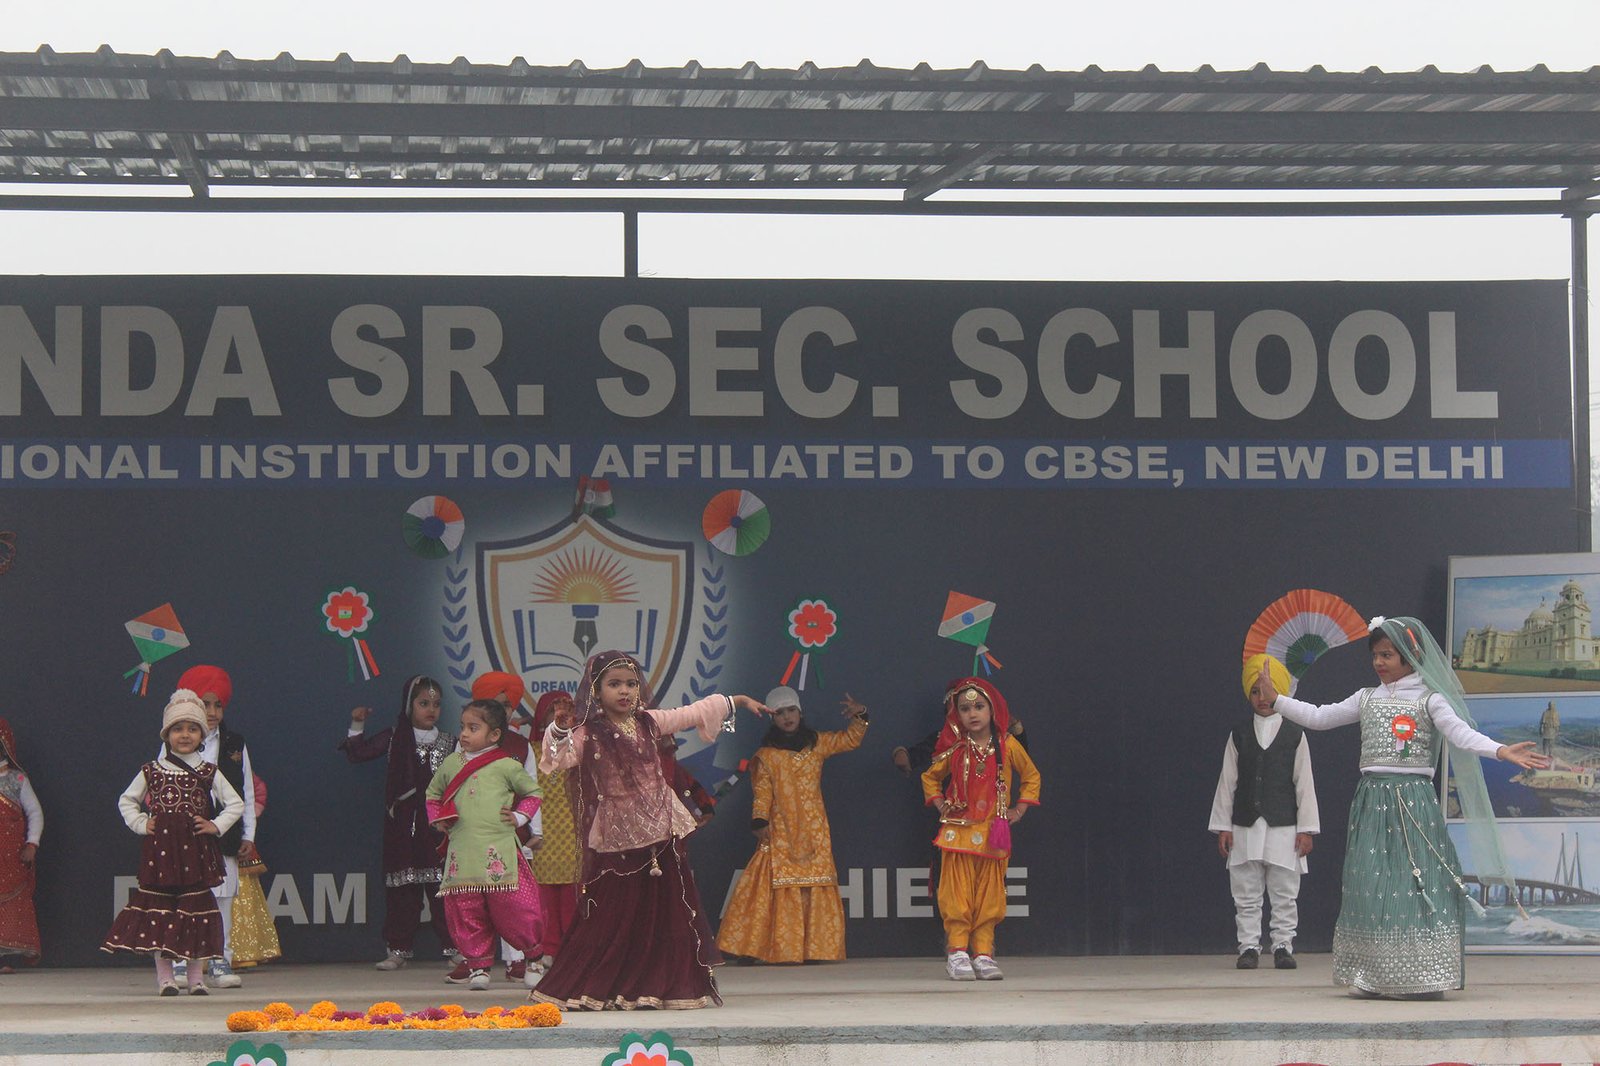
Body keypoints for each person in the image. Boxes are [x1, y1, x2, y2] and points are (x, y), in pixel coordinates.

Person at [1261, 615, 1550, 998]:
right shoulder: (1367, 698)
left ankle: (1423, 976)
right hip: (1372, 801)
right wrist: (1277, 700)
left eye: (1388, 655)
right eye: (1375, 655)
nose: (1379, 663)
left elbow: (1460, 734)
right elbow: (1320, 716)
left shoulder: (1430, 699)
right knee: (1372, 885)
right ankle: (1374, 975)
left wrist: (1499, 750)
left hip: (1413, 802)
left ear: (1410, 656)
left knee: (1414, 884)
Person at [531, 650, 770, 1010]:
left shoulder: (649, 722)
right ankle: (604, 986)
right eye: (614, 684)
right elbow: (557, 759)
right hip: (618, 838)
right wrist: (560, 730)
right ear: (596, 691)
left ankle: (656, 987)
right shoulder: (587, 734)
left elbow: (692, 712)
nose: (624, 691)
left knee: (665, 914)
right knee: (613, 915)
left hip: (662, 833)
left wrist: (736, 701)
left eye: (631, 684)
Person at [104, 690, 245, 996]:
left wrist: (215, 826)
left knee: (194, 912)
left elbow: (236, 803)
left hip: (196, 852)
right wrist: (142, 823)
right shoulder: (152, 770)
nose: (185, 735)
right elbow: (127, 800)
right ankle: (166, 978)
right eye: (178, 729)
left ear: (202, 735)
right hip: (162, 853)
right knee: (161, 911)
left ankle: (195, 979)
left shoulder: (208, 771)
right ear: (167, 735)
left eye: (192, 729)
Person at [717, 686, 868, 963]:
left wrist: (861, 715)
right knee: (769, 880)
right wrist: (760, 820)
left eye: (791, 711)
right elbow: (762, 793)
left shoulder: (817, 743)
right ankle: (756, 948)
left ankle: (814, 949)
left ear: (800, 713)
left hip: (814, 829)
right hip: (781, 827)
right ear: (772, 717)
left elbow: (850, 740)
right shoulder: (767, 755)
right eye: (780, 713)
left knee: (814, 882)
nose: (787, 717)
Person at [922, 677, 1040, 982]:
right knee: (957, 895)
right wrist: (940, 804)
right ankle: (957, 952)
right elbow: (930, 777)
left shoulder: (1008, 745)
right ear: (957, 715)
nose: (972, 713)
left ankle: (984, 953)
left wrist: (1019, 809)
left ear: (992, 710)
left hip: (992, 832)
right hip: (958, 833)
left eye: (978, 707)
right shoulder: (956, 748)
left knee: (990, 896)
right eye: (964, 708)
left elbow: (1032, 776)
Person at [1208, 654, 1319, 970]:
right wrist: (1223, 825)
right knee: (1246, 891)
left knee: (1285, 891)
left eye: (1268, 691)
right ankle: (1248, 947)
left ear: (1280, 693)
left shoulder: (1295, 734)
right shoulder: (1239, 734)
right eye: (1255, 691)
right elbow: (1227, 781)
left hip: (1285, 826)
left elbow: (1304, 783)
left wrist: (1306, 829)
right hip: (1244, 825)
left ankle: (1283, 945)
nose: (1262, 698)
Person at [425, 699, 543, 991]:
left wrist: (519, 817)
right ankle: (478, 966)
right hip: (463, 852)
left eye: (473, 728)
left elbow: (533, 793)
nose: (464, 734)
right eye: (462, 727)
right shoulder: (452, 763)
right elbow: (432, 794)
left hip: (498, 851)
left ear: (494, 735)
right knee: (466, 908)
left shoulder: (506, 765)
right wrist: (438, 819)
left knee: (515, 908)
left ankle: (534, 960)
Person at [341, 674, 457, 971]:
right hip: (403, 827)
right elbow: (359, 753)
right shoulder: (395, 737)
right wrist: (357, 725)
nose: (431, 710)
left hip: (438, 827)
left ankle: (455, 950)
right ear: (409, 705)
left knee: (443, 890)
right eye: (423, 703)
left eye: (436, 705)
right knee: (402, 891)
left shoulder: (450, 743)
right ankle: (398, 950)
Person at [164, 665, 256, 989]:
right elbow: (158, 786)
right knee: (183, 897)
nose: (213, 712)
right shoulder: (173, 741)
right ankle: (179, 961)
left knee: (222, 899)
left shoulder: (234, 743)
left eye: (219, 705)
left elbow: (245, 791)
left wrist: (248, 834)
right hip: (184, 835)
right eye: (206, 704)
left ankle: (219, 960)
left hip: (223, 834)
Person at [470, 670, 538, 982]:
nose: (503, 710)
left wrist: (534, 830)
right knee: (476, 900)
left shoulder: (521, 746)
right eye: (495, 704)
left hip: (512, 835)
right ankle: (476, 961)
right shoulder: (465, 745)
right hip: (474, 837)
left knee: (512, 899)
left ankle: (517, 960)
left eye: (508, 705)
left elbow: (532, 789)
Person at [527, 691, 580, 974]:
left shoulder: (580, 750)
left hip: (573, 831)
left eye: (567, 715)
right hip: (542, 831)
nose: (561, 720)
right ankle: (548, 948)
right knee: (544, 894)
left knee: (572, 894)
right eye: (554, 714)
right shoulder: (533, 752)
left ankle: (572, 950)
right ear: (541, 719)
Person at [0, 718, 42, 972]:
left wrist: (32, 844)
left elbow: (35, 813)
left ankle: (5, 959)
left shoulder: (17, 779)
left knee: (11, 907)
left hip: (11, 858)